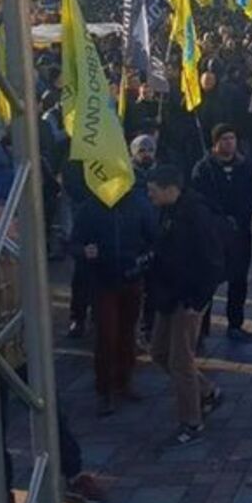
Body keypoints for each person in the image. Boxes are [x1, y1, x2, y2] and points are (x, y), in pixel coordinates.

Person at [71, 147, 159, 415]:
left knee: (127, 333)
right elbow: (73, 243)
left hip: (132, 278)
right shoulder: (90, 208)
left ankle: (124, 381)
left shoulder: (139, 204)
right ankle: (104, 389)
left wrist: (144, 259)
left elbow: (153, 237)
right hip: (103, 279)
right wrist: (83, 251)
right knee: (106, 336)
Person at [144, 165, 222, 449]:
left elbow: (213, 262)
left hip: (188, 300)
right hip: (169, 295)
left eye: (152, 191)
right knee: (158, 352)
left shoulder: (196, 215)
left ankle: (191, 420)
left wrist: (198, 301)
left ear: (169, 189)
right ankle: (207, 391)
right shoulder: (168, 211)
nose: (149, 196)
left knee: (181, 360)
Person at [190, 123, 252, 343]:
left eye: (232, 138)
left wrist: (241, 216)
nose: (229, 143)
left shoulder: (247, 167)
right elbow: (199, 197)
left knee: (238, 279)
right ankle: (201, 328)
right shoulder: (204, 168)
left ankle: (235, 324)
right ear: (215, 143)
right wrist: (218, 218)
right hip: (213, 233)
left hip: (240, 232)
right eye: (224, 139)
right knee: (207, 280)